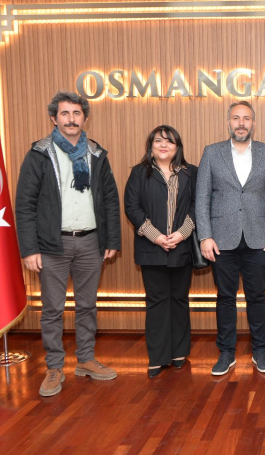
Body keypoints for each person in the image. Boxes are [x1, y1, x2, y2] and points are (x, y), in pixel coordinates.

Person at [15, 91, 121, 397]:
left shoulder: (97, 154)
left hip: (91, 242)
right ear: (54, 118)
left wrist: (112, 239)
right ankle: (54, 367)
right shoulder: (40, 154)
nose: (71, 119)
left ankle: (86, 360)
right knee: (52, 309)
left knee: (87, 306)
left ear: (84, 118)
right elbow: (25, 204)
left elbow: (110, 200)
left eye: (76, 113)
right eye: (65, 113)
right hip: (52, 245)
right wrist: (29, 249)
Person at [196, 101, 265, 375]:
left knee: (257, 296)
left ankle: (260, 350)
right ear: (229, 122)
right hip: (221, 239)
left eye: (246, 118)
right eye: (236, 118)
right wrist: (205, 236)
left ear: (253, 123)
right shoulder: (212, 153)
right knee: (225, 297)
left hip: (260, 238)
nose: (241, 123)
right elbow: (201, 198)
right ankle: (226, 353)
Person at [124, 125, 197, 379]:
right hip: (150, 248)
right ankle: (158, 357)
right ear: (151, 146)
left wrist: (182, 233)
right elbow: (132, 208)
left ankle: (179, 352)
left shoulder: (191, 173)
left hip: (182, 247)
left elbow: (198, 205)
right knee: (157, 301)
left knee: (179, 299)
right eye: (158, 141)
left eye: (169, 141)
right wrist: (155, 236)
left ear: (178, 147)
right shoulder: (139, 173)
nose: (163, 145)